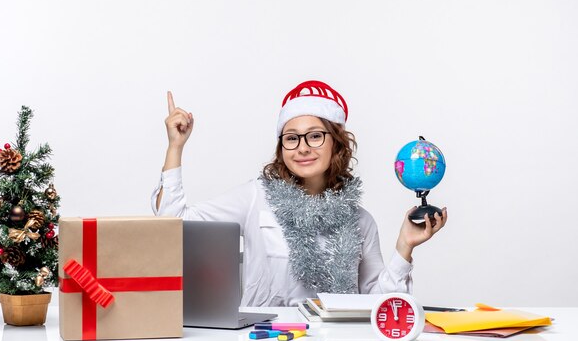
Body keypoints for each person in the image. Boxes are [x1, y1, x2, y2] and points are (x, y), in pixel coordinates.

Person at [151, 80, 447, 307]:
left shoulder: (361, 222)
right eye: (291, 139)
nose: (303, 147)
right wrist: (175, 146)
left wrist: (405, 246)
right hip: (266, 339)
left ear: (337, 144)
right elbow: (173, 223)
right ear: (282, 149)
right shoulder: (257, 198)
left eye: (315, 136)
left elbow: (380, 304)